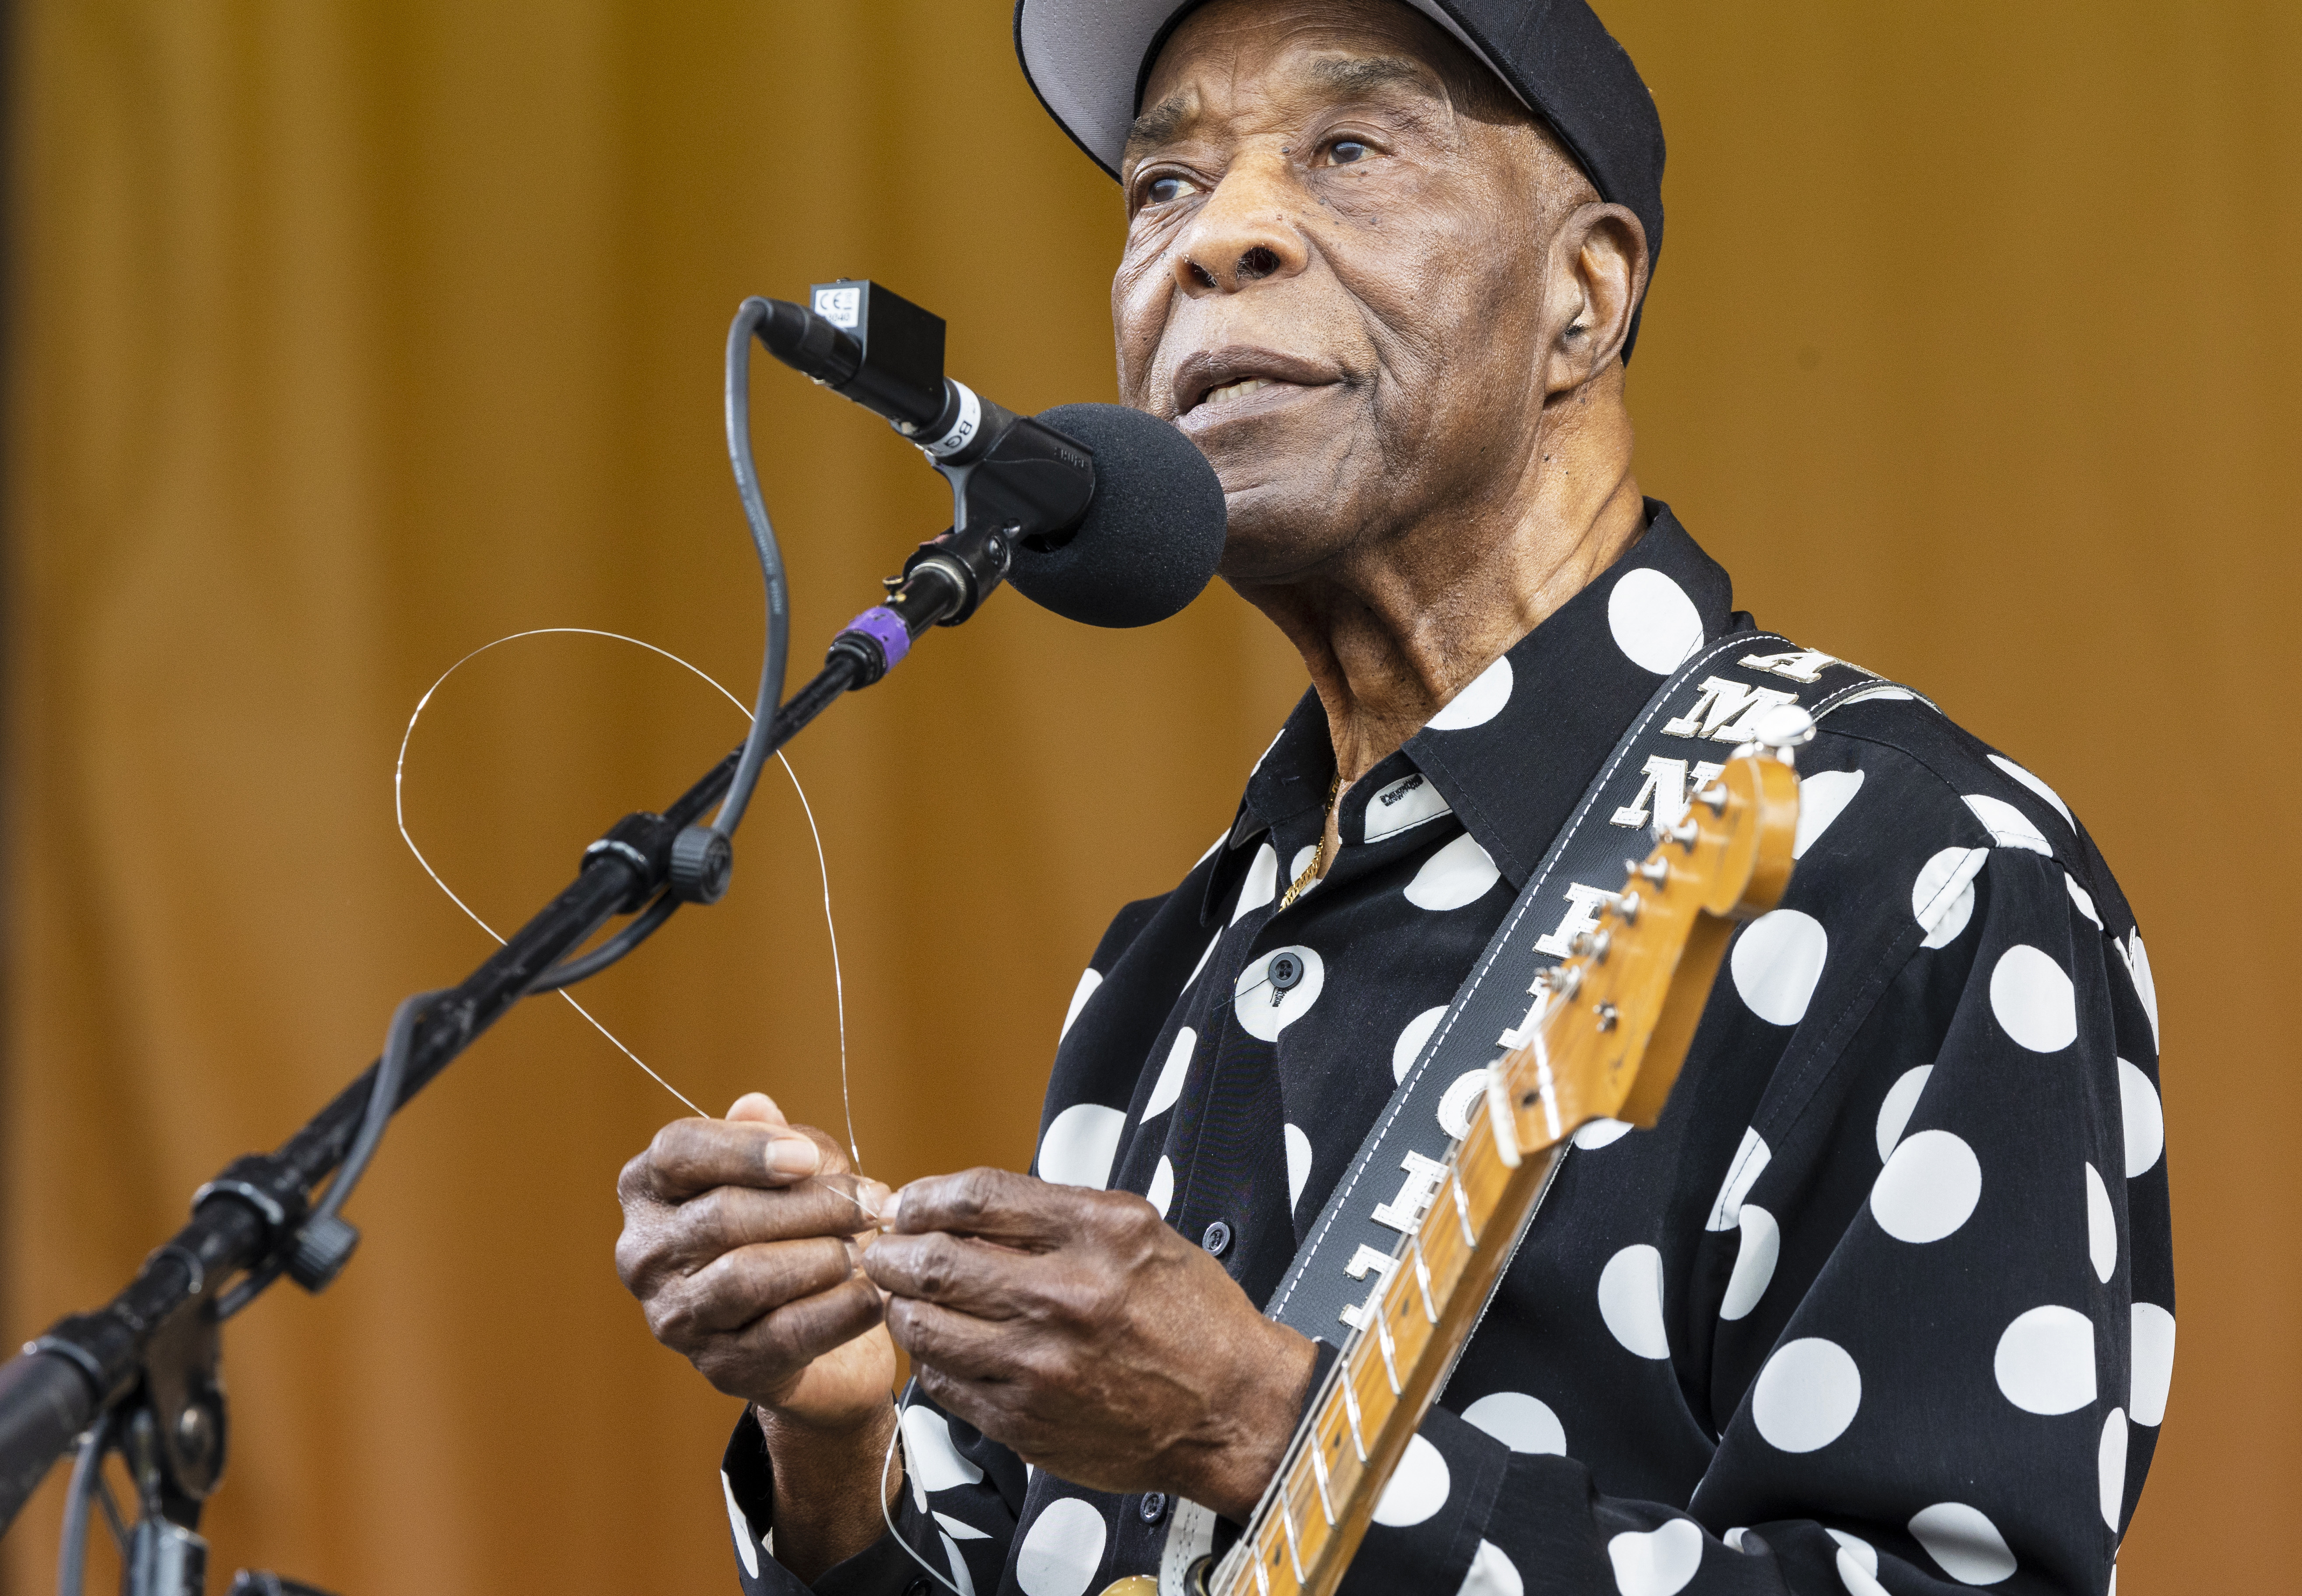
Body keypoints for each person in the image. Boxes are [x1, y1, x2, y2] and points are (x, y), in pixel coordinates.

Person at [613, 3, 2172, 1592]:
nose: (1220, 239)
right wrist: (834, 1458)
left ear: (1586, 293)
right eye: (1163, 187)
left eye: (1347, 151)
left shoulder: (1910, 864)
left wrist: (1264, 1428)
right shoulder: (1178, 956)